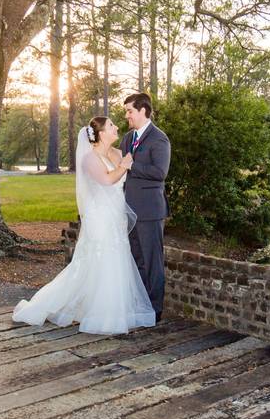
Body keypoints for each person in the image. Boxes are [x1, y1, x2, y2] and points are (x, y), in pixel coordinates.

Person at [12, 116, 156, 335]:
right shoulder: (89, 158)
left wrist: (127, 163)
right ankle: (97, 315)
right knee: (101, 259)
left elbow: (127, 174)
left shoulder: (117, 153)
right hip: (99, 216)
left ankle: (113, 310)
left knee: (117, 258)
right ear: (100, 133)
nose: (116, 127)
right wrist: (125, 166)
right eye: (111, 125)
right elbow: (108, 180)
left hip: (117, 215)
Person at [120, 93, 171, 322]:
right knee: (136, 260)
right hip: (130, 211)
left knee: (152, 262)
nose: (127, 115)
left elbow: (160, 173)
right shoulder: (127, 139)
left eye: (130, 111)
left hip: (150, 212)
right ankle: (141, 305)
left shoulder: (159, 139)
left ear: (143, 111)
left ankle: (155, 310)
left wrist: (133, 165)